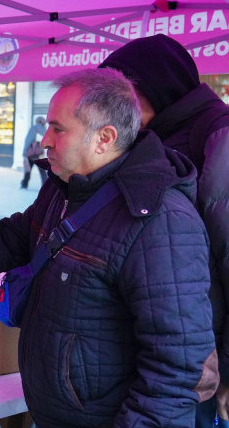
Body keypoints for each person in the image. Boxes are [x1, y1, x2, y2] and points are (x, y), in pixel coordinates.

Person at [0, 68, 218, 426]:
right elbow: (1, 245)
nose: (43, 140)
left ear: (104, 138)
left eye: (58, 129)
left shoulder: (159, 219)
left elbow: (176, 368)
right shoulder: (64, 189)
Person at [99, 34, 229, 427]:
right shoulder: (149, 136)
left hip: (196, 363)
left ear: (154, 88)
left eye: (119, 93)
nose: (110, 105)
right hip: (148, 347)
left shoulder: (218, 137)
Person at [20, 116, 48, 189]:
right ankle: (45, 188)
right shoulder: (45, 130)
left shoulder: (34, 128)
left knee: (28, 170)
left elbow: (28, 141)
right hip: (40, 155)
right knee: (42, 172)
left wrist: (24, 152)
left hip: (31, 155)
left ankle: (24, 185)